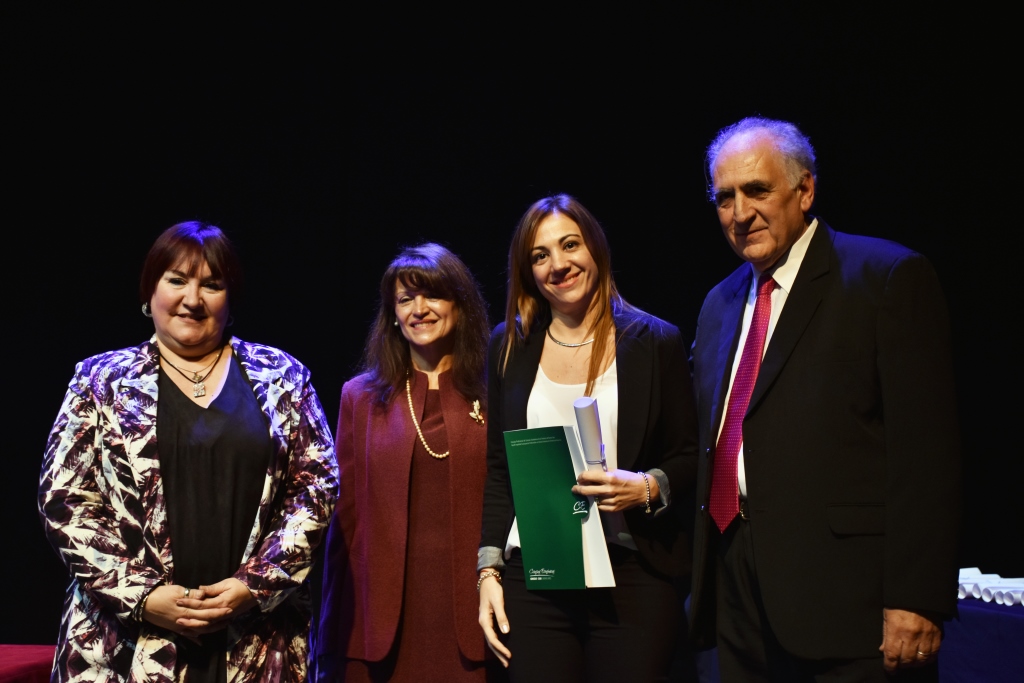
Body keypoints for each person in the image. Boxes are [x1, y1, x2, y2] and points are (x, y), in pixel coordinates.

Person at [688, 117, 961, 681]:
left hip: (847, 599)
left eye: (757, 190)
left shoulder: (884, 278)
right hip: (736, 589)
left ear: (805, 190)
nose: (740, 214)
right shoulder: (720, 303)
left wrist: (917, 597)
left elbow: (927, 455)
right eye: (724, 198)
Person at [39, 221, 339, 682]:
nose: (193, 299)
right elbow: (65, 500)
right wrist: (141, 595)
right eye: (176, 280)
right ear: (150, 291)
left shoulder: (282, 376)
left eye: (211, 285)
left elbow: (317, 487)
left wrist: (252, 586)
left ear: (230, 298)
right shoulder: (100, 381)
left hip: (255, 641)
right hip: (125, 644)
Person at [477, 194, 699, 683]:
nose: (559, 265)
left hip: (633, 575)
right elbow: (500, 469)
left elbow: (690, 456)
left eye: (570, 245)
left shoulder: (655, 340)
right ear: (527, 270)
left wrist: (646, 486)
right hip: (537, 573)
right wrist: (488, 573)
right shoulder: (509, 345)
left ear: (594, 247)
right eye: (540, 255)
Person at [315, 243, 498, 682]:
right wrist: (328, 631)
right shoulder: (359, 397)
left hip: (473, 615)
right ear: (392, 315)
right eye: (404, 299)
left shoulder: (498, 390)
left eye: (432, 294)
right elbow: (345, 520)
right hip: (377, 622)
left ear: (460, 303)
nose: (419, 309)